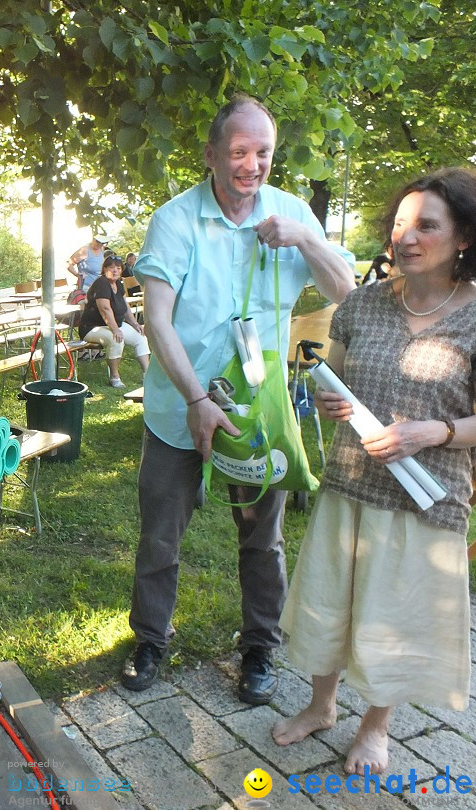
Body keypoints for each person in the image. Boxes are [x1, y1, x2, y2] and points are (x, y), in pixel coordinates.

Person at [120, 94, 355, 704]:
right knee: (161, 535)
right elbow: (158, 320)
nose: (252, 165)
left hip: (260, 414)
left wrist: (304, 237)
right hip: (181, 410)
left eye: (264, 153)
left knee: (262, 536)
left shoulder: (292, 212)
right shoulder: (175, 220)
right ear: (212, 156)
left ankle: (259, 648)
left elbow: (345, 288)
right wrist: (197, 399)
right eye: (239, 152)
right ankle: (150, 638)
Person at [272, 167, 476, 775]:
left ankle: (376, 727)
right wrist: (329, 400)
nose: (406, 238)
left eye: (427, 226)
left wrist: (433, 432)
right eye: (399, 224)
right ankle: (320, 705)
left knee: (396, 616)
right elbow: (329, 378)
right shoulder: (360, 304)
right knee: (330, 601)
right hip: (350, 484)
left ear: (463, 237)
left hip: (427, 499)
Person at [78, 252, 150, 388]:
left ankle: (148, 374)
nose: (115, 270)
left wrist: (135, 324)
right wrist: (115, 329)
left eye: (118, 267)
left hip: (115, 325)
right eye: (111, 267)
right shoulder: (101, 283)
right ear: (105, 270)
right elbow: (105, 309)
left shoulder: (118, 283)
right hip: (92, 328)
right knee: (116, 338)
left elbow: (125, 306)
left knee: (140, 336)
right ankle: (114, 377)